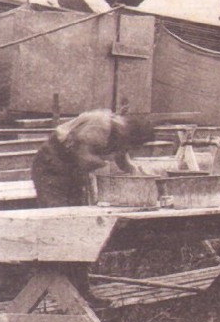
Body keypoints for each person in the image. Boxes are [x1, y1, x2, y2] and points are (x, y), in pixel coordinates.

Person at [30, 109, 156, 305]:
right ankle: (51, 290)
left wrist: (138, 174)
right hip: (52, 167)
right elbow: (84, 158)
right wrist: (109, 169)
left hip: (73, 172)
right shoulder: (101, 125)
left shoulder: (121, 134)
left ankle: (81, 292)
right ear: (127, 131)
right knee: (59, 225)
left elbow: (122, 159)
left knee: (81, 228)